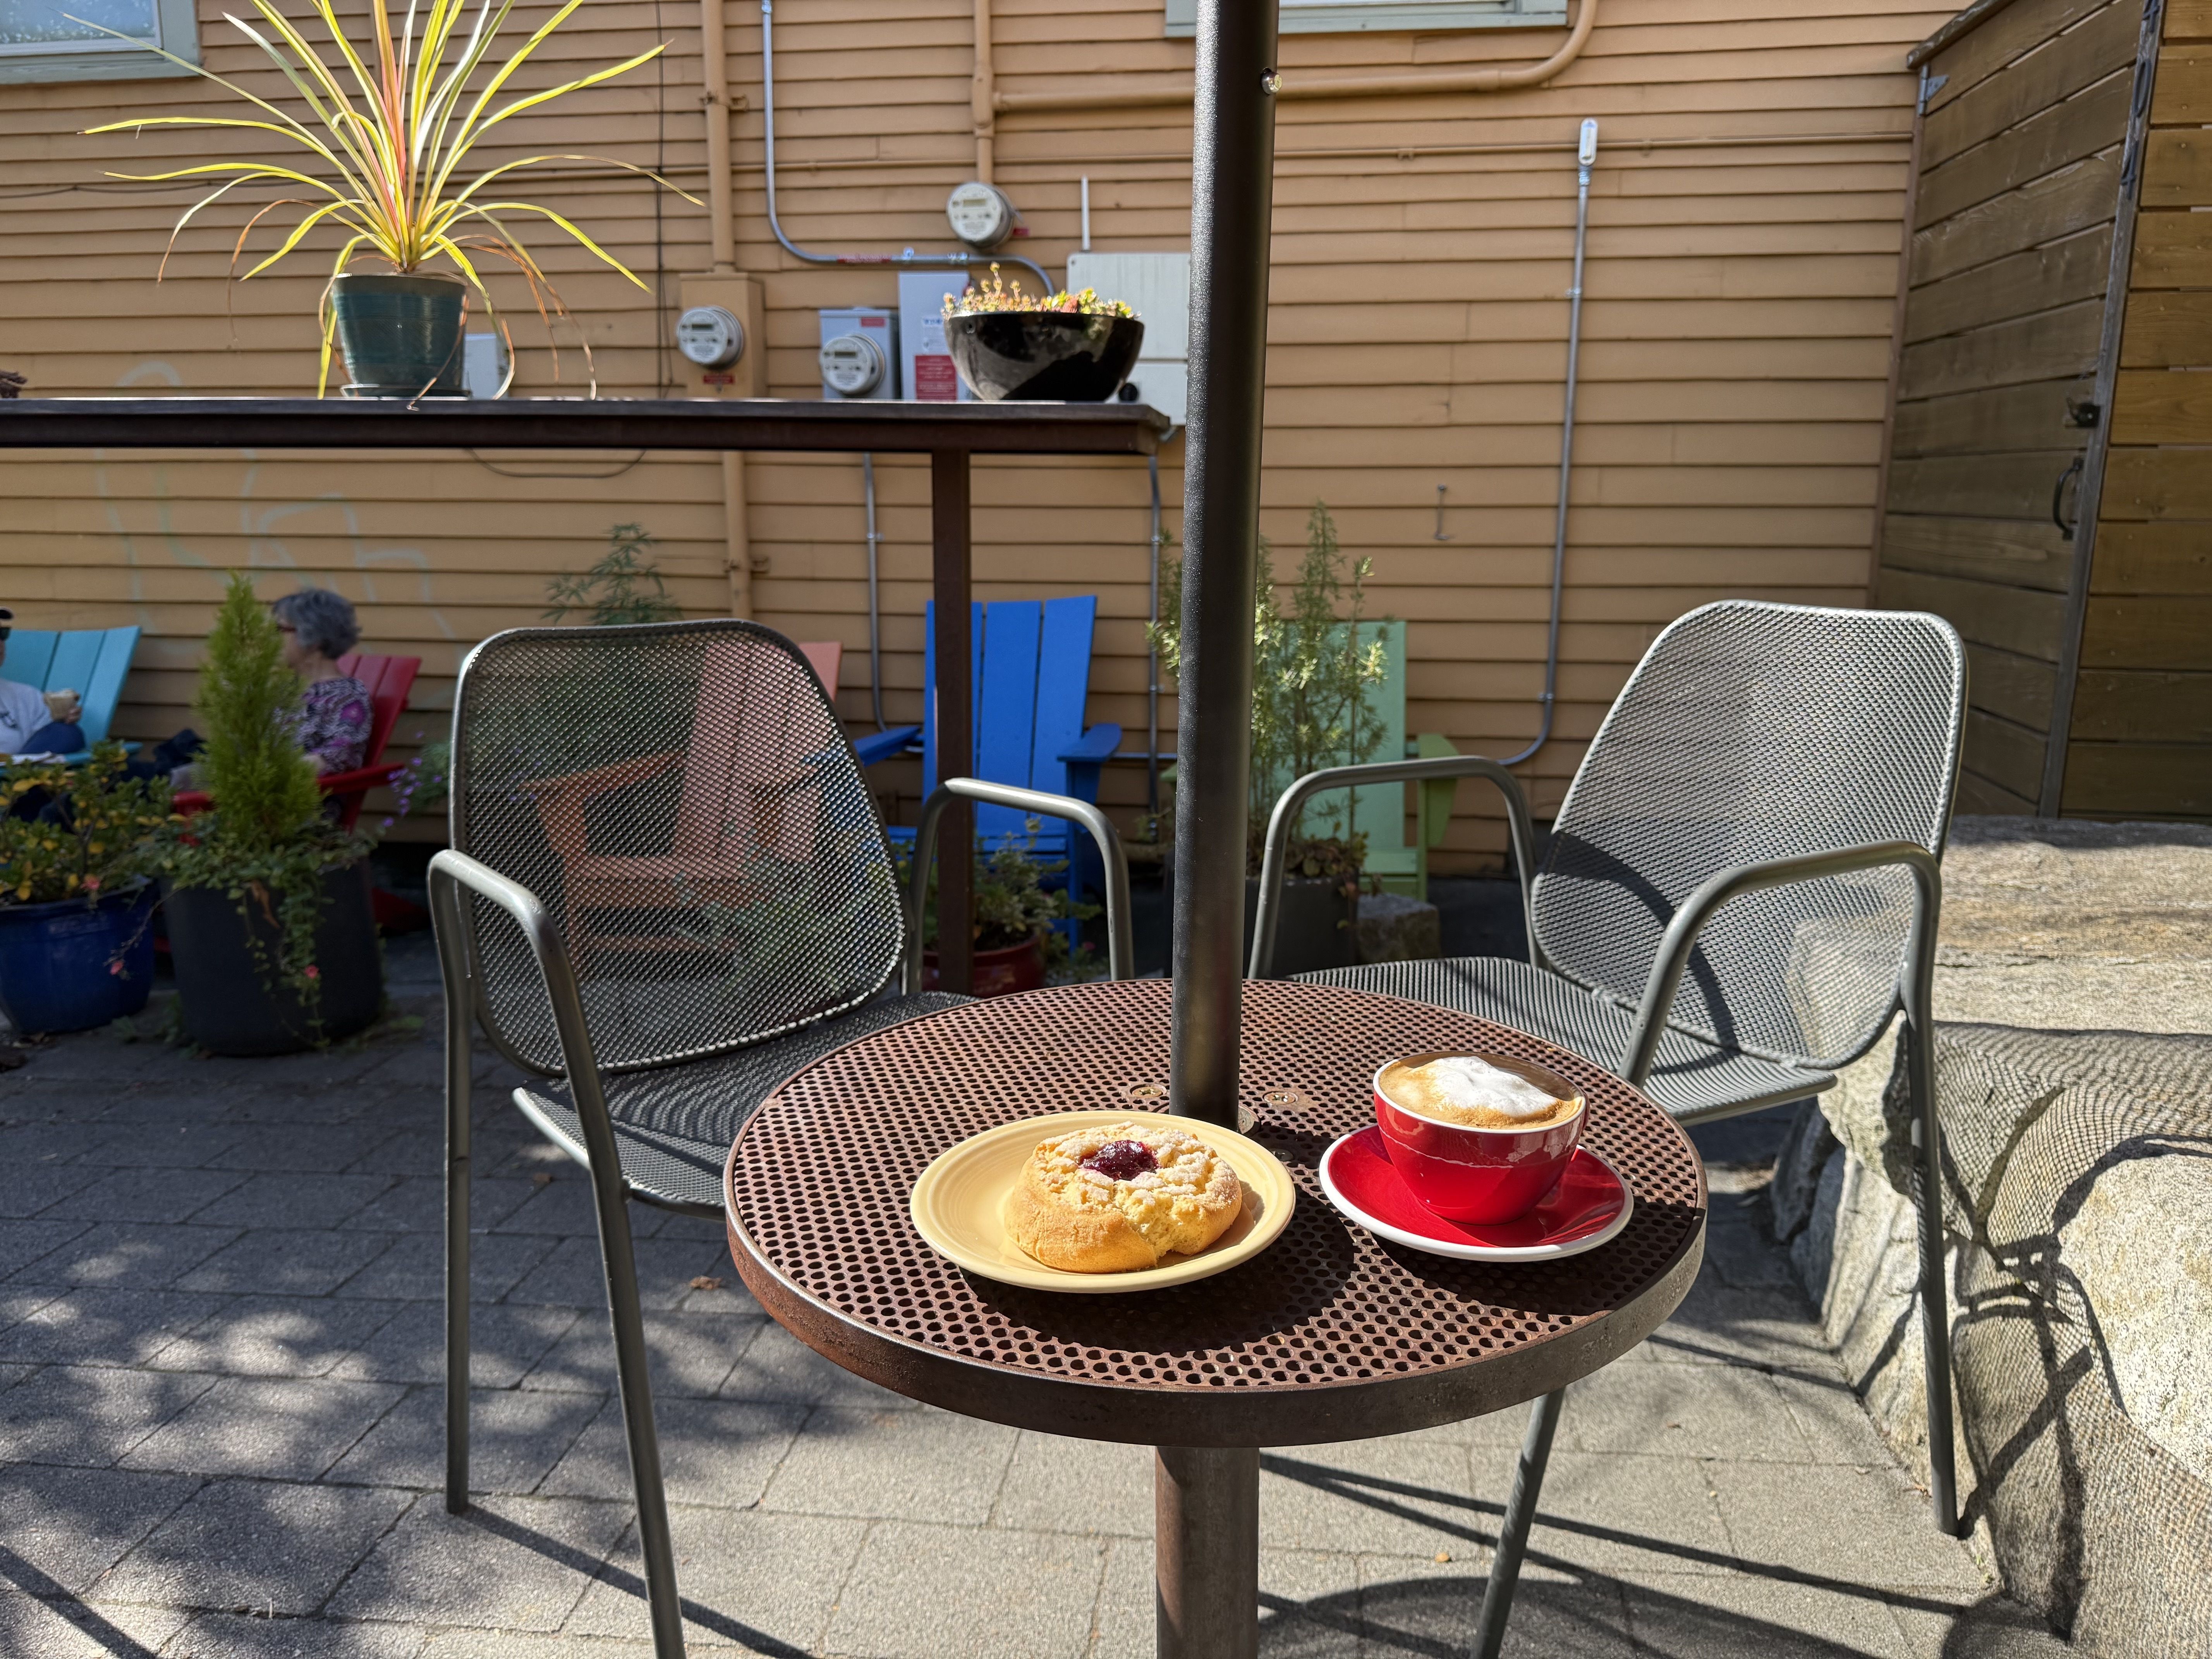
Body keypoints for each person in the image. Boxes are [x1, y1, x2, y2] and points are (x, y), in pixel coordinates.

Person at [271, 589, 371, 778]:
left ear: (313, 637)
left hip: (298, 800)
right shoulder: (285, 690)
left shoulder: (348, 697)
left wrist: (259, 779)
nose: (269, 638)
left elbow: (337, 756)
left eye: (279, 630)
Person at [0, 609, 87, 757]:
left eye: (1, 634)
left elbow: (57, 735)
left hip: (17, 775)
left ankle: (16, 775)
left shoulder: (26, 697)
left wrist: (63, 718)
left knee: (66, 733)